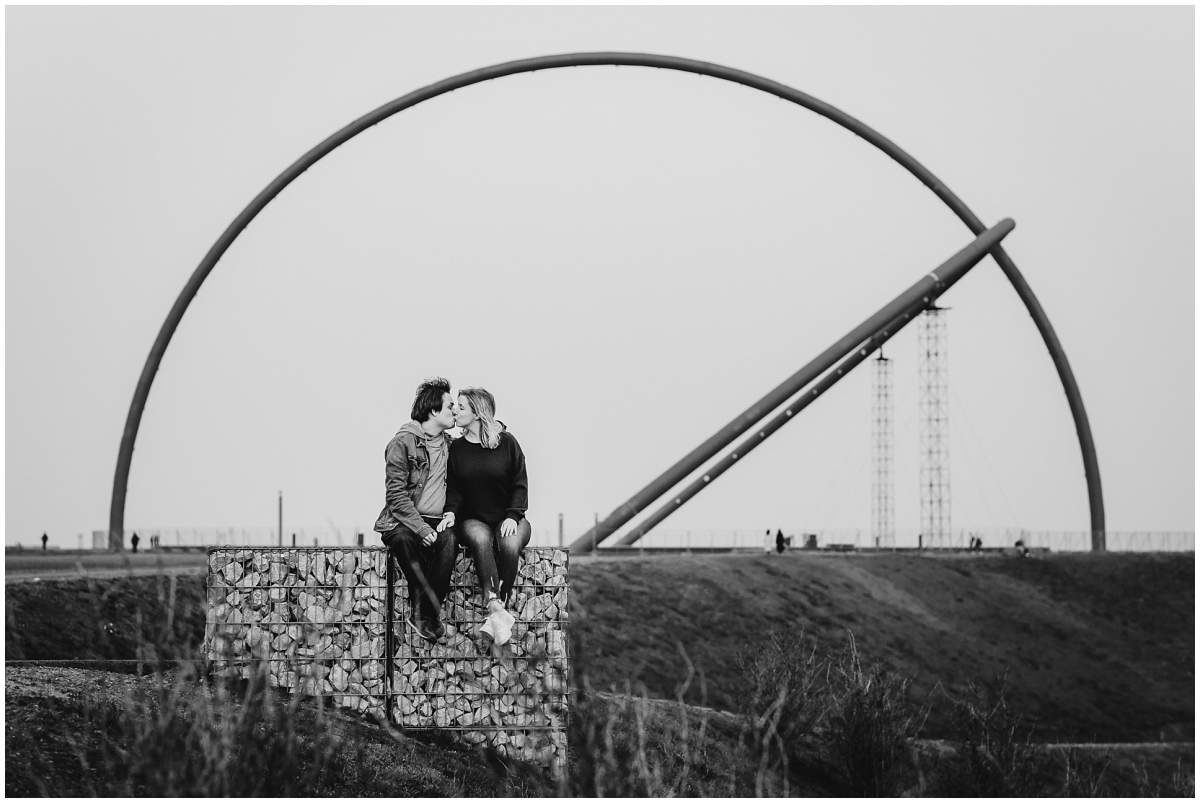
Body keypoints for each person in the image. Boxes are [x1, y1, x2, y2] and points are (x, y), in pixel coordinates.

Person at [373, 377, 458, 642]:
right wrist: (420, 528)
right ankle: (427, 615)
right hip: (403, 521)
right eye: (449, 406)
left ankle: (423, 613)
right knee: (403, 540)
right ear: (433, 411)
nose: (454, 411)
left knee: (450, 541)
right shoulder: (403, 443)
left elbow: (483, 436)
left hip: (439, 521)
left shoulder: (451, 445)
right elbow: (396, 495)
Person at [446, 387, 530, 646]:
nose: (454, 411)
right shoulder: (457, 449)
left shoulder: (507, 443)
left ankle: (497, 615)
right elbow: (455, 488)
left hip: (510, 517)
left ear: (477, 412)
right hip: (473, 519)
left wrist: (513, 516)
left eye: (460, 407)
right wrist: (450, 511)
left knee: (509, 543)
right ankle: (495, 606)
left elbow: (520, 483)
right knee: (481, 539)